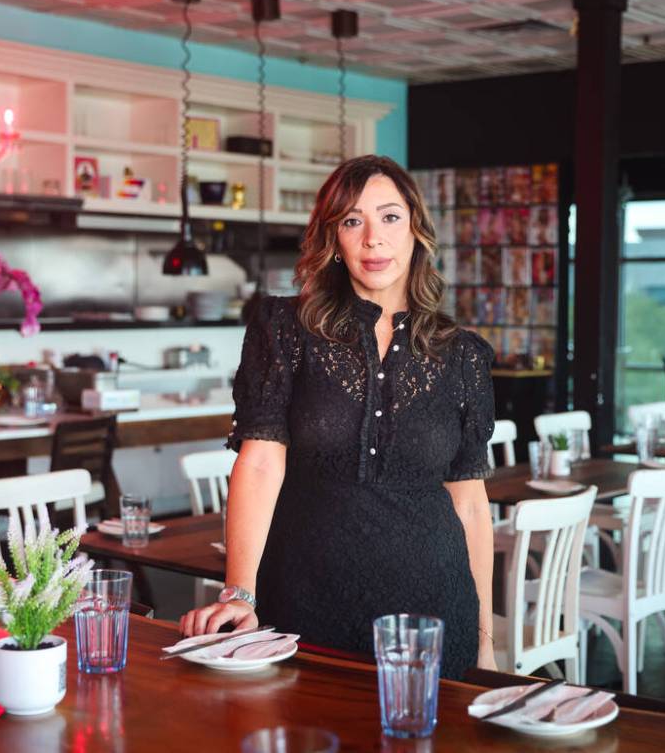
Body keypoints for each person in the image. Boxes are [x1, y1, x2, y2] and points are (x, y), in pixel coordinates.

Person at [179, 155, 497, 679]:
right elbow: (259, 466)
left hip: (434, 615)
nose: (373, 238)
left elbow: (470, 506)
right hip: (305, 604)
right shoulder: (284, 329)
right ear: (334, 240)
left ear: (417, 229)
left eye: (390, 217)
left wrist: (484, 644)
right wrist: (239, 592)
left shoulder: (462, 356)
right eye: (352, 221)